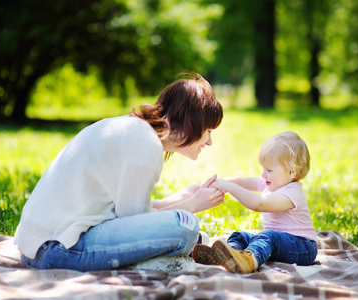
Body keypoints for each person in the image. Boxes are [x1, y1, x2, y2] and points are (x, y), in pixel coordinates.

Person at [14, 72, 225, 272]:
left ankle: (159, 258)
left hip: (40, 246)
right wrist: (192, 206)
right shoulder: (146, 143)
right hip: (58, 250)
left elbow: (125, 212)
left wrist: (175, 200)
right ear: (190, 123)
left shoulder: (136, 131)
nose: (210, 142)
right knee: (186, 227)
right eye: (208, 131)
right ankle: (146, 264)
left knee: (191, 232)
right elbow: (133, 221)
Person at [192, 131, 317, 273]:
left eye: (269, 170)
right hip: (278, 243)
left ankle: (248, 260)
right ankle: (228, 256)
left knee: (268, 236)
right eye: (263, 168)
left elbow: (259, 204)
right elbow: (242, 181)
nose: (263, 174)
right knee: (239, 236)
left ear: (292, 172)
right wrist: (217, 183)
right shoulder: (272, 182)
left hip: (303, 247)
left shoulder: (292, 193)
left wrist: (229, 188)